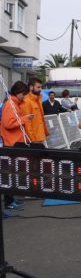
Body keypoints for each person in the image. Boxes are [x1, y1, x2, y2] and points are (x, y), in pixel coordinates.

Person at [1, 81, 34, 211]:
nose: (24, 97)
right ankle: (9, 202)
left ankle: (11, 199)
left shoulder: (14, 103)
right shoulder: (10, 104)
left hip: (15, 143)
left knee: (13, 173)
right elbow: (8, 124)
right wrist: (25, 118)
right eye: (23, 94)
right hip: (11, 144)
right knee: (9, 174)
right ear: (18, 92)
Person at [21, 77, 48, 144]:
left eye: (41, 87)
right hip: (34, 140)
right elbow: (27, 123)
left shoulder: (37, 99)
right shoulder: (27, 101)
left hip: (40, 137)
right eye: (38, 87)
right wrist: (32, 140)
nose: (40, 89)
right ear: (31, 87)